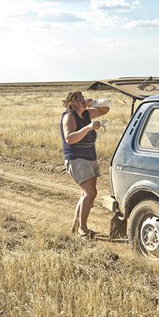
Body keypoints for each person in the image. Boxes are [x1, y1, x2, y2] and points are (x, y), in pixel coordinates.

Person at [60, 91, 110, 239]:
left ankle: (76, 226)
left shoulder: (86, 114)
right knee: (90, 193)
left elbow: (105, 110)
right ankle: (82, 228)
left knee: (85, 194)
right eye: (79, 99)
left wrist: (92, 104)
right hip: (77, 158)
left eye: (82, 97)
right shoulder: (69, 117)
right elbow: (69, 138)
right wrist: (88, 128)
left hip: (90, 157)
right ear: (71, 103)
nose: (82, 100)